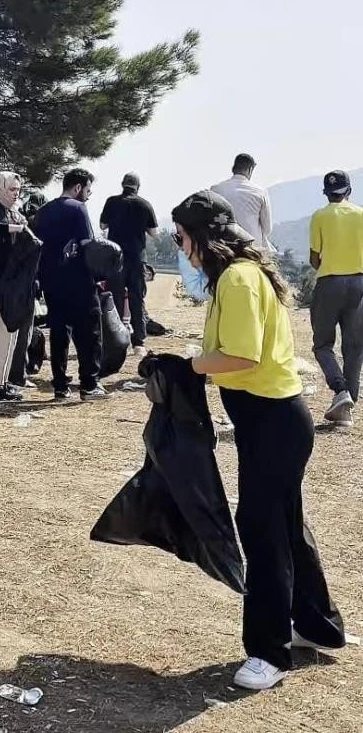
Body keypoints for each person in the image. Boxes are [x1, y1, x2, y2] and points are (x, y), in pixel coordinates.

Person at [173, 190, 345, 690]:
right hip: (267, 422)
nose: (180, 248)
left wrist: (187, 366)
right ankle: (317, 626)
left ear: (201, 237)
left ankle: (269, 652)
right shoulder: (235, 276)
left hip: (273, 421)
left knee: (263, 529)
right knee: (284, 523)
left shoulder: (238, 279)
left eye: (181, 238)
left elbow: (242, 356)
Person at [35, 168, 106, 401]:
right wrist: (98, 276)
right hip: (79, 280)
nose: (89, 194)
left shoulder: (43, 211)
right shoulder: (78, 208)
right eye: (88, 189)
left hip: (51, 280)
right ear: (78, 188)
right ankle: (89, 385)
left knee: (59, 333)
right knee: (89, 333)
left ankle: (60, 386)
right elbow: (88, 245)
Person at [308, 170, 363, 427]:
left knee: (322, 344)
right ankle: (347, 407)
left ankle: (340, 390)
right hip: (359, 282)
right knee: (354, 346)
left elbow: (314, 259)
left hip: (329, 283)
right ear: (349, 191)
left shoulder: (319, 216)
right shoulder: (360, 214)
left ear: (326, 193)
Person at [0, 171, 31, 402]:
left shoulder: (12, 211)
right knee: (0, 335)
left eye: (18, 189)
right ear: (0, 189)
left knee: (9, 335)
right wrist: (18, 228)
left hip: (11, 283)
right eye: (12, 189)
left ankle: (1, 382)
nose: (16, 194)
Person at [100, 172, 158, 355]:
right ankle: (138, 343)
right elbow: (154, 232)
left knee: (115, 300)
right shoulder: (144, 204)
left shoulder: (112, 202)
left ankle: (114, 341)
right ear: (138, 187)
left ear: (122, 184)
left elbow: (102, 226)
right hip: (136, 258)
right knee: (136, 299)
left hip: (115, 258)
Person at [9, 188, 48, 388]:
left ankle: (16, 366)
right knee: (28, 326)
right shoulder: (40, 221)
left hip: (13, 280)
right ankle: (22, 368)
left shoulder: (19, 218)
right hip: (31, 279)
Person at [211, 153, 272, 248]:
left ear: (233, 168)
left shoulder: (215, 189)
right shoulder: (260, 192)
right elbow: (267, 229)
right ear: (250, 170)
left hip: (224, 246)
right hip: (252, 248)